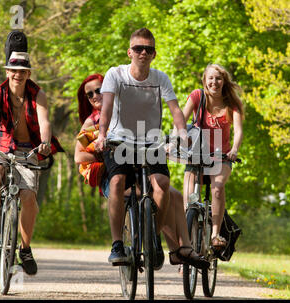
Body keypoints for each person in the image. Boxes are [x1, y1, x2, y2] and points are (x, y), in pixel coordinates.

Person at [75, 74, 208, 269]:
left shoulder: (124, 112)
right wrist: (106, 154)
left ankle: (179, 249)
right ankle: (144, 241)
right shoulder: (91, 123)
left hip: (137, 172)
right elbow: (79, 157)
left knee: (174, 196)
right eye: (90, 94)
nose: (95, 95)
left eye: (99, 89)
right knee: (145, 194)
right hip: (111, 177)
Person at [94, 28, 188, 268]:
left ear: (154, 54)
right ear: (130, 52)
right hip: (118, 139)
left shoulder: (160, 78)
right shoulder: (115, 74)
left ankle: (154, 237)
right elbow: (105, 109)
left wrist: (183, 133)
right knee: (116, 182)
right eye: (138, 48)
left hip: (150, 141)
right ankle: (117, 244)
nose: (143, 53)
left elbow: (175, 109)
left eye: (148, 49)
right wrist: (102, 134)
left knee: (163, 184)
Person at [0, 51, 63, 275]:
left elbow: (45, 122)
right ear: (7, 72)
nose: (17, 74)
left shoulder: (38, 94)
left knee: (28, 196)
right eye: (13, 70)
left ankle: (25, 248)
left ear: (28, 73)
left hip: (27, 148)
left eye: (22, 71)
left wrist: (44, 142)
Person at [182, 63, 244, 251]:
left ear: (224, 81)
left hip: (221, 157)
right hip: (196, 155)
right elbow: (180, 121)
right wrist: (174, 142)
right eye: (210, 78)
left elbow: (239, 130)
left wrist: (234, 149)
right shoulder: (197, 97)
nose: (214, 82)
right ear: (205, 80)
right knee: (189, 199)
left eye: (218, 78)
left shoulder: (232, 104)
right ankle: (187, 244)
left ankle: (216, 234)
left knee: (217, 189)